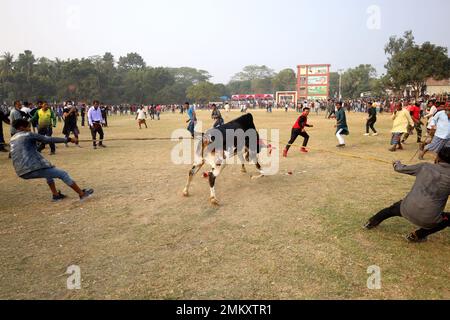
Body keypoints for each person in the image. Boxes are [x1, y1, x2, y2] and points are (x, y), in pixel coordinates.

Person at [364, 147, 450, 243]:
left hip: (406, 208)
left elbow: (400, 168)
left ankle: (371, 222)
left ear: (437, 157)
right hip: (429, 219)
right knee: (447, 219)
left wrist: (396, 163)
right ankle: (416, 235)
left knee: (392, 209)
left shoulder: (425, 166)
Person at [9, 119, 94, 202]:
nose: (29, 129)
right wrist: (68, 139)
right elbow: (48, 139)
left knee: (48, 169)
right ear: (21, 128)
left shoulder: (12, 138)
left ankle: (56, 195)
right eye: (28, 127)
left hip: (20, 171)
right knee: (62, 174)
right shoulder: (28, 135)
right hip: (31, 168)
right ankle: (82, 194)